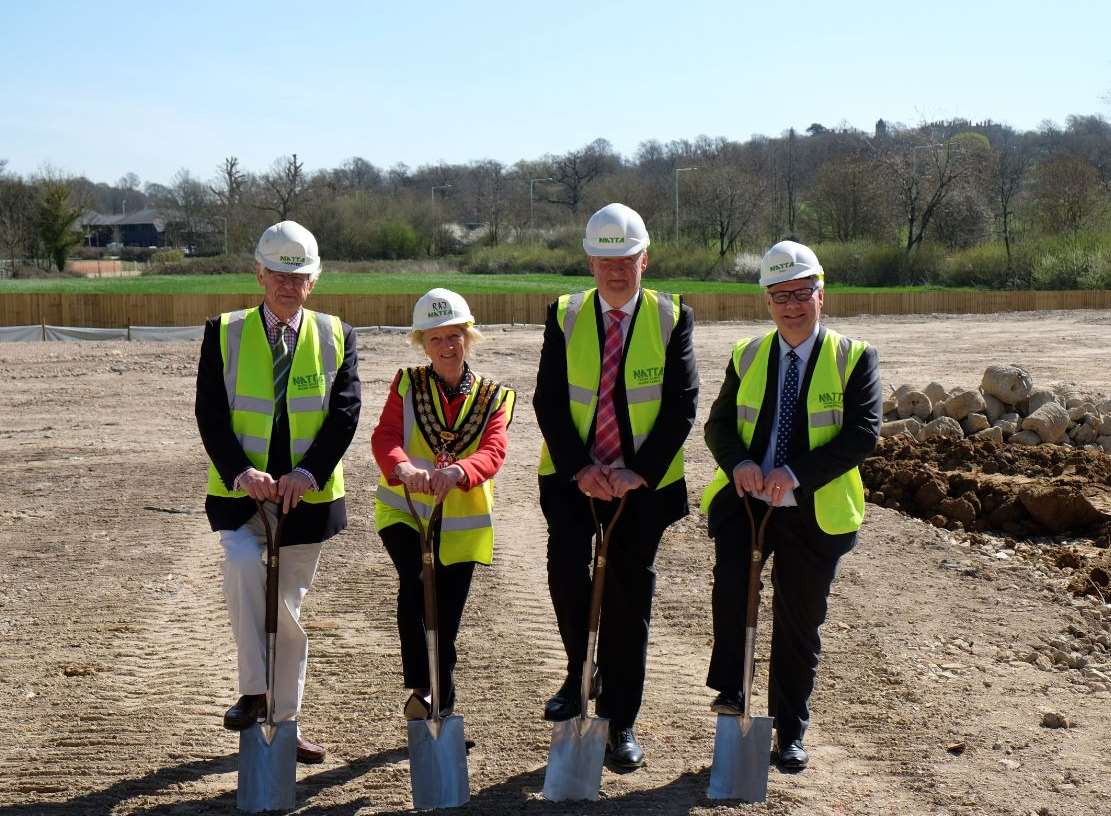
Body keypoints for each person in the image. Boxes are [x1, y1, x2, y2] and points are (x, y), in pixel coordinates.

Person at [700, 240, 881, 771]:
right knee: (733, 598)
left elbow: (862, 435)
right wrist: (740, 465)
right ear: (767, 300)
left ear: (821, 295)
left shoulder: (854, 357)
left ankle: (788, 729)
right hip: (747, 504)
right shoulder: (748, 354)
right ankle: (733, 692)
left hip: (813, 510)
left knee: (799, 624)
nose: (791, 305)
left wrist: (794, 474)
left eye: (802, 293)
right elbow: (718, 426)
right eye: (780, 295)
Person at [534, 203, 698, 771]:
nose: (616, 270)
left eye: (626, 258)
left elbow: (681, 407)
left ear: (644, 259)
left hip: (642, 487)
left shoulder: (672, 316)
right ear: (590, 261)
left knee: (629, 597)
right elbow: (548, 401)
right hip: (573, 478)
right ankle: (583, 671)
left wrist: (637, 472)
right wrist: (582, 468)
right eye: (605, 260)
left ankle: (621, 719)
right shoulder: (564, 314)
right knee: (566, 579)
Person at [196, 220, 361, 765]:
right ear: (260, 274)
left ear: (314, 281)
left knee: (287, 609)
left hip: (305, 500)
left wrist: (307, 474)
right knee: (243, 564)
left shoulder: (336, 333)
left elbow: (343, 415)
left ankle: (284, 722)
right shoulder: (225, 331)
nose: (289, 286)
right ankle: (253, 692)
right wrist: (243, 472)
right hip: (242, 493)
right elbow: (211, 414)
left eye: (300, 276)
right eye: (280, 275)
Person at [371, 289, 515, 721]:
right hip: (405, 510)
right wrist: (402, 468)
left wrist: (460, 472)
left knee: (447, 618)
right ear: (423, 344)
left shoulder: (493, 396)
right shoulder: (407, 385)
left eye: (454, 336)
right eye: (436, 339)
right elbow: (386, 436)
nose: (447, 347)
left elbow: (494, 449)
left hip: (461, 524)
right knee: (416, 581)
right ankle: (421, 685)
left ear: (467, 338)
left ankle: (441, 704)